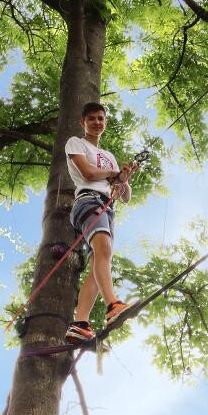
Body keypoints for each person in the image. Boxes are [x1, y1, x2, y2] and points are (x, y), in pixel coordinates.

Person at [65, 102, 137, 344]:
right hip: (88, 201)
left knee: (100, 261)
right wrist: (113, 175)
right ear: (83, 122)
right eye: (92, 118)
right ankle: (113, 305)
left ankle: (80, 323)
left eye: (101, 119)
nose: (97, 122)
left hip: (107, 207)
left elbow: (124, 197)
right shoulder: (76, 143)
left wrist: (124, 179)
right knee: (103, 251)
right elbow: (86, 173)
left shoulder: (109, 157)